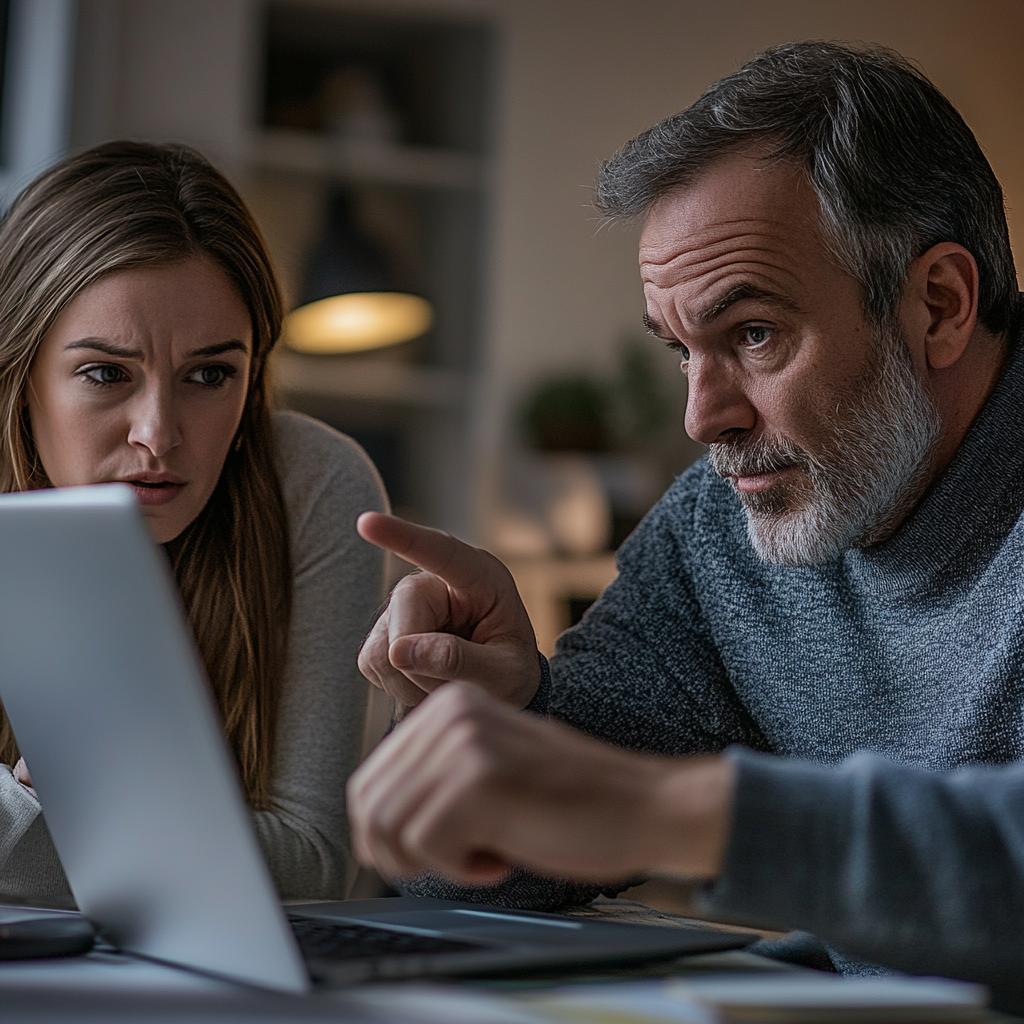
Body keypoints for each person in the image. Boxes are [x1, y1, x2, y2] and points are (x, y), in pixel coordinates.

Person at [349, 40, 1024, 1001]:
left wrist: (687, 812)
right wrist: (496, 720)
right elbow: (470, 880)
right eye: (681, 349)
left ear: (941, 305)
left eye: (753, 334)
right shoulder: (726, 524)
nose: (702, 418)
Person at [0, 141, 388, 905]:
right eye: (106, 373)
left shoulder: (310, 485)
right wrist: (135, 826)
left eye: (210, 375)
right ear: (20, 370)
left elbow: (309, 866)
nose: (159, 433)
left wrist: (53, 828)